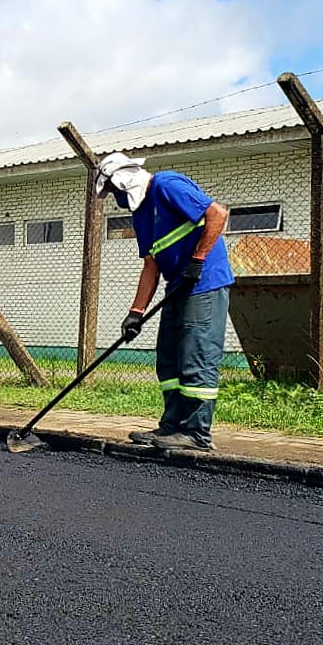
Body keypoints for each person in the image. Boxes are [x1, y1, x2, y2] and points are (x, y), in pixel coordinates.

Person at [97, 151, 234, 452]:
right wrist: (135, 313)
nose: (112, 197)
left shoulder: (166, 185)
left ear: (122, 181)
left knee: (195, 355)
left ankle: (196, 433)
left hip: (205, 283)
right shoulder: (141, 214)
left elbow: (217, 215)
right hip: (177, 286)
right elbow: (151, 264)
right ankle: (171, 427)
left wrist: (197, 260)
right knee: (169, 356)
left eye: (111, 191)